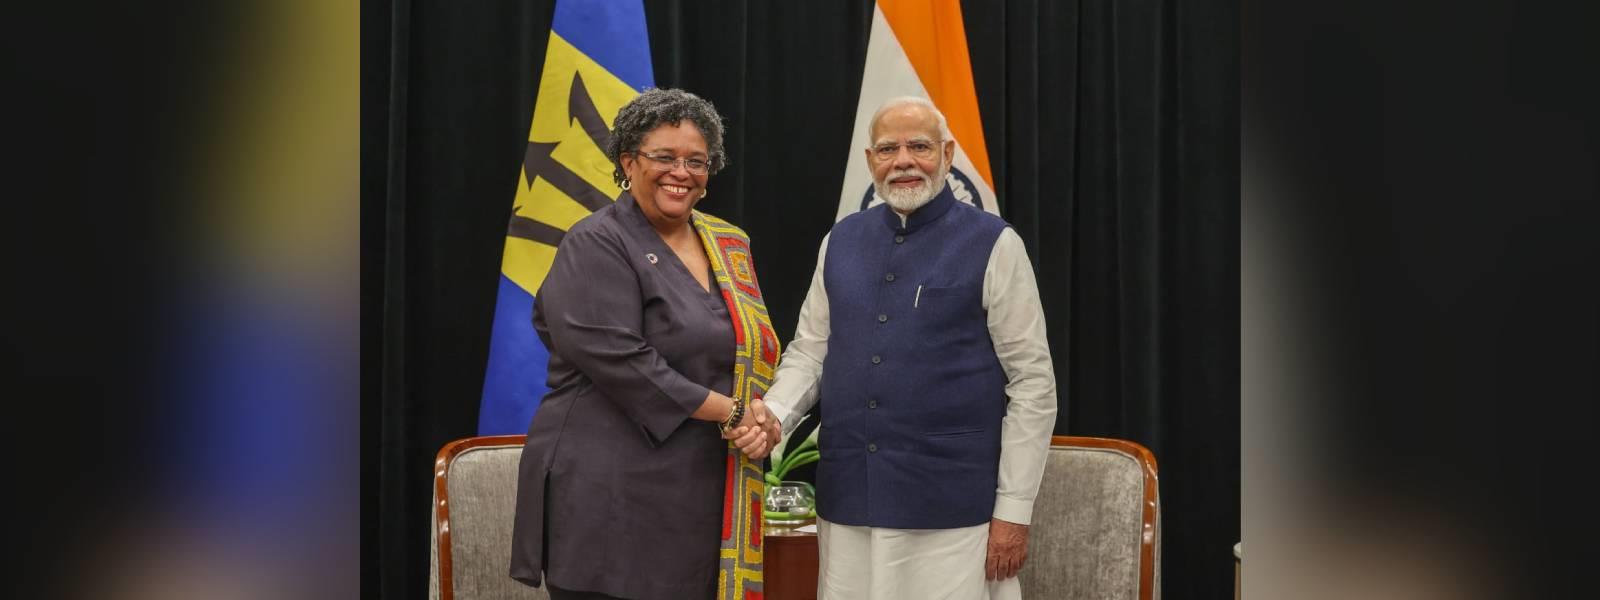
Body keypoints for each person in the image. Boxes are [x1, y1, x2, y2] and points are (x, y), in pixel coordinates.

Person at [751, 96, 1058, 599]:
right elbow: (811, 352)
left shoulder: (995, 243)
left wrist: (1013, 512)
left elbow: (1034, 385)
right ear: (871, 161)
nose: (904, 161)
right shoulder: (840, 240)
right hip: (849, 501)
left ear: (947, 154)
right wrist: (774, 415)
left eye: (919, 146)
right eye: (889, 149)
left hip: (951, 509)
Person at [510, 88, 783, 600]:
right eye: (663, 157)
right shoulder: (595, 242)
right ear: (628, 161)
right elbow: (622, 361)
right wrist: (733, 411)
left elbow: (752, 354)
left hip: (697, 494)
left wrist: (761, 419)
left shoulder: (729, 244)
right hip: (610, 494)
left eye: (696, 161)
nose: (681, 172)